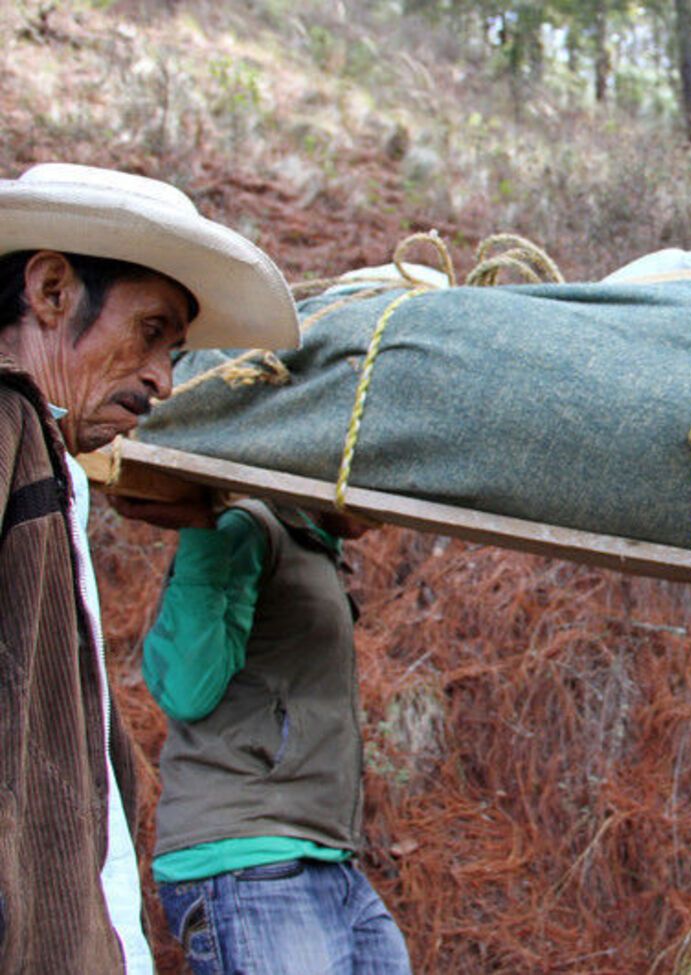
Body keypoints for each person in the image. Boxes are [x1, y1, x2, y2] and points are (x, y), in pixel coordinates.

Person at [0, 163, 297, 973]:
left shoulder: (43, 457)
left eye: (175, 350)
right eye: (151, 331)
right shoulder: (5, 425)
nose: (164, 379)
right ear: (52, 290)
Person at [111, 494, 413, 975]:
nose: (382, 518)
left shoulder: (315, 549)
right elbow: (187, 688)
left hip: (324, 858)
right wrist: (202, 533)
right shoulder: (251, 528)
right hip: (248, 858)